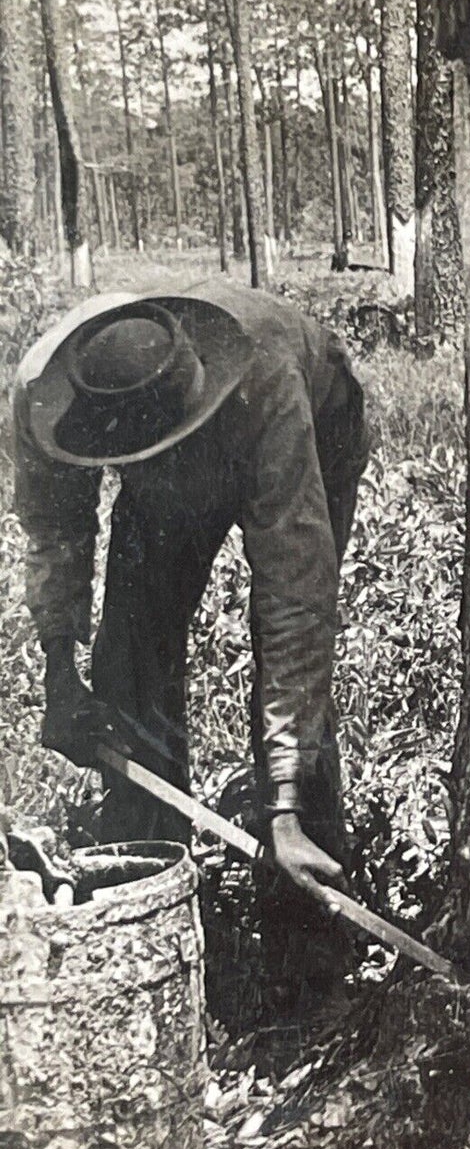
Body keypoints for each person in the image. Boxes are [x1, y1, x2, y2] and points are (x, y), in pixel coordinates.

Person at [12, 277, 370, 1004]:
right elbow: (56, 528)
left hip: (311, 423)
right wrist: (58, 671)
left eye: (164, 457)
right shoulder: (44, 396)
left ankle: (309, 934)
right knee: (129, 664)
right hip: (159, 429)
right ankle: (157, 903)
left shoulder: (266, 389)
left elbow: (294, 601)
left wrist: (284, 803)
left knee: (287, 666)